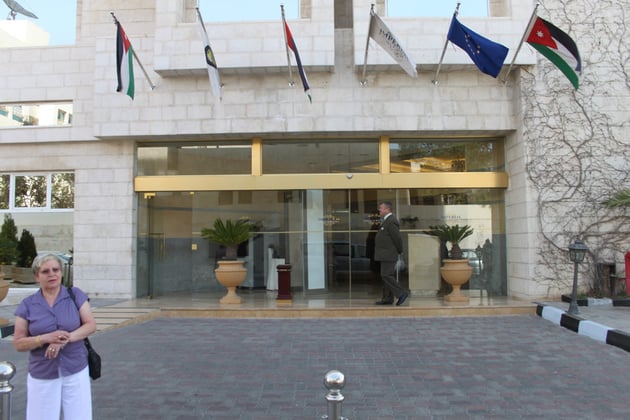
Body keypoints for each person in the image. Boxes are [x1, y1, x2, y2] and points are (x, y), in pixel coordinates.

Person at [13, 253, 97, 420]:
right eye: (45, 271)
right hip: (43, 372)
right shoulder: (27, 305)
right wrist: (45, 338)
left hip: (75, 369)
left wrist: (64, 339)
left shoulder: (75, 295)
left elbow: (90, 325)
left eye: (55, 270)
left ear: (61, 272)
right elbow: (18, 343)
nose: (52, 274)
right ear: (37, 276)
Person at [374, 201, 409, 306]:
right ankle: (387, 298)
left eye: (381, 208)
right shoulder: (386, 220)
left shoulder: (391, 221)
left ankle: (401, 293)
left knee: (386, 275)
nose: (379, 210)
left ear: (387, 209)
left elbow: (397, 238)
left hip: (389, 253)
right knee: (387, 275)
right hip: (385, 254)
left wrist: (399, 251)